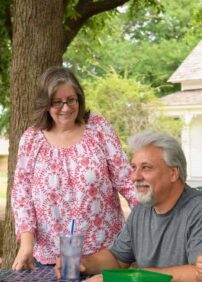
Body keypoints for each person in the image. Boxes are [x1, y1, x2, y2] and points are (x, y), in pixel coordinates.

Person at [56, 131, 202, 282]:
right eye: (133, 168)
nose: (135, 177)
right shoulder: (142, 210)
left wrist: (134, 276)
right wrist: (83, 264)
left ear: (173, 173)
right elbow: (118, 259)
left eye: (146, 168)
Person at [11, 66, 138, 270]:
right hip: (49, 259)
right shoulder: (31, 139)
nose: (65, 108)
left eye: (71, 100)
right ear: (45, 104)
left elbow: (127, 181)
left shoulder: (98, 128)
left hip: (103, 255)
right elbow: (22, 195)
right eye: (57, 102)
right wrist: (26, 244)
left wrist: (151, 220)